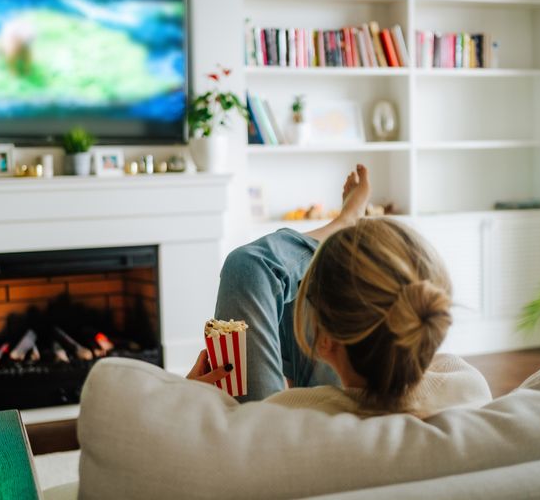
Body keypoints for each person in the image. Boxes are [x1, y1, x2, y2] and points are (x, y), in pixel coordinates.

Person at [187, 165, 490, 417]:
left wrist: (190, 397)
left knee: (250, 265)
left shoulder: (280, 416)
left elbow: (233, 430)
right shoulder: (470, 387)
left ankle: (342, 225)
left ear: (324, 342)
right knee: (302, 290)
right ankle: (342, 228)